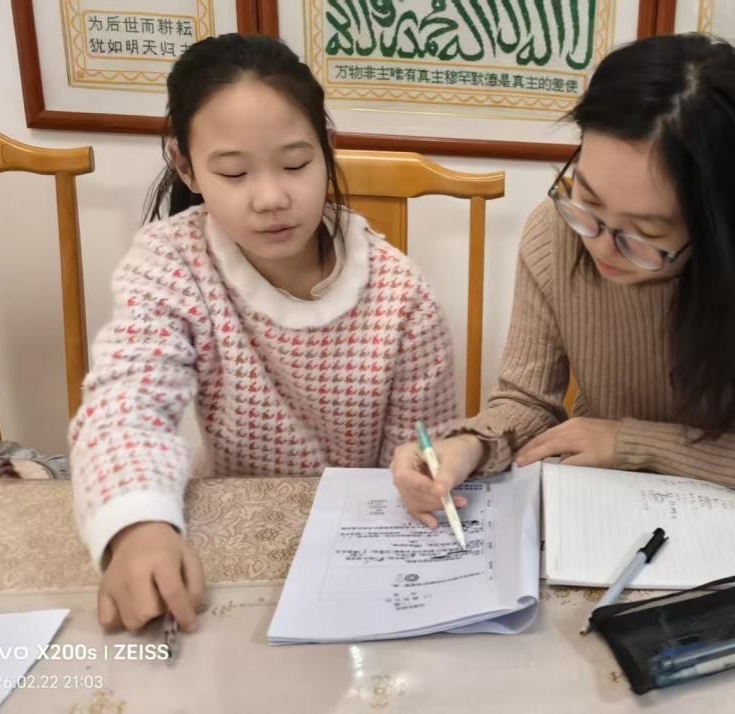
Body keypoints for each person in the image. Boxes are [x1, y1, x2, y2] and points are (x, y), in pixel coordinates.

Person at [393, 33, 735, 528]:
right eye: (588, 200)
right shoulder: (556, 231)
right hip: (602, 509)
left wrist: (634, 444)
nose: (601, 246)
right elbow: (528, 401)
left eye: (646, 233)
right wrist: (469, 446)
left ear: (719, 225)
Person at [70, 34, 458, 633]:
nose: (272, 198)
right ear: (185, 166)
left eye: (296, 165)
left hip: (359, 550)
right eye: (233, 172)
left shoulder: (400, 295)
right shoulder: (173, 261)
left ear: (328, 149)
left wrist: (421, 479)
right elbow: (127, 402)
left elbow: (419, 454)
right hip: (229, 540)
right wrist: (137, 524)